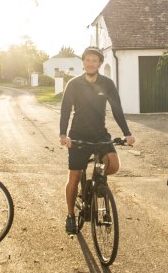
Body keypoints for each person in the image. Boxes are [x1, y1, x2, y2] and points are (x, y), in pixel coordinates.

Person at [60, 46, 136, 235]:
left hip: (100, 134)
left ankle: (97, 183)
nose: (91, 63)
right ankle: (70, 215)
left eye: (95, 60)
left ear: (100, 64)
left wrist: (127, 132)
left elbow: (117, 109)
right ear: (83, 62)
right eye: (87, 60)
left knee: (114, 164)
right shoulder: (74, 84)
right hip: (78, 135)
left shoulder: (107, 83)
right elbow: (66, 109)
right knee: (74, 177)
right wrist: (64, 134)